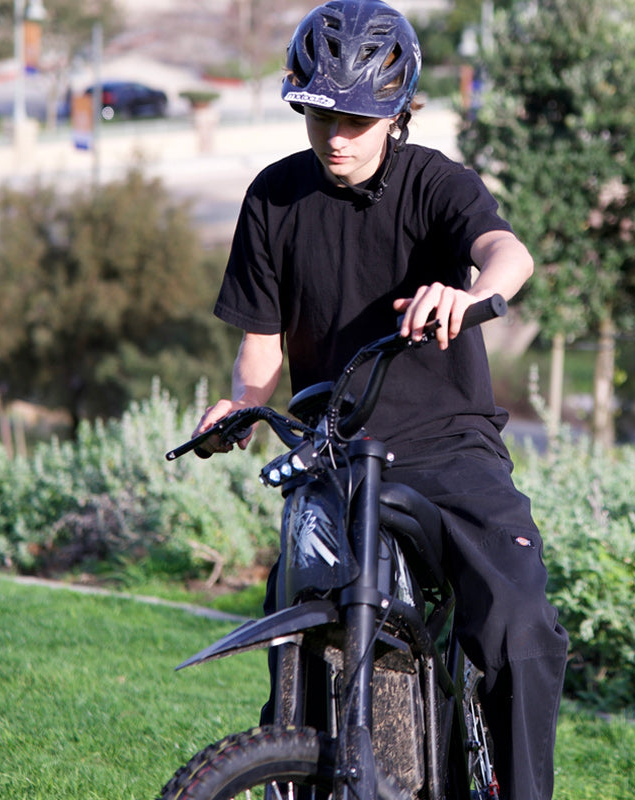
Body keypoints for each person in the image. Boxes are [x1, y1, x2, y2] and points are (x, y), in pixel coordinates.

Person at [192, 1, 569, 798]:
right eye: (321, 113)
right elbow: (261, 342)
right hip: (331, 457)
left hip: (449, 448)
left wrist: (471, 296)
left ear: (397, 112)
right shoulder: (272, 198)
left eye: (358, 118)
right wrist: (240, 406)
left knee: (520, 624)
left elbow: (509, 253)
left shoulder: (437, 183)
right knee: (300, 640)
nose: (337, 135)